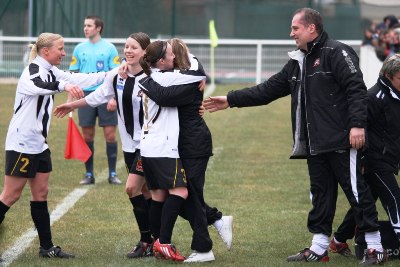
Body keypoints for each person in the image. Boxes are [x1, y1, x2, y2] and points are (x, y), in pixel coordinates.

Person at [203, 7, 387, 265]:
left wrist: (357, 125)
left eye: (295, 28)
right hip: (315, 143)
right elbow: (268, 89)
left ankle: (375, 246)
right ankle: (319, 246)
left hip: (343, 140)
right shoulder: (298, 61)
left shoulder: (337, 51)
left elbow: (356, 89)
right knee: (321, 194)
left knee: (356, 191)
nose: (291, 34)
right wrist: (231, 99)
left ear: (311, 28)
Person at [0, 32, 107, 259]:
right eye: (60, 48)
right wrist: (65, 87)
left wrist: (113, 74)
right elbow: (43, 85)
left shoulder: (51, 70)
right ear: (45, 51)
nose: (64, 53)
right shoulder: (33, 72)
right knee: (10, 195)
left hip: (38, 144)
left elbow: (78, 78)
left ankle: (46, 247)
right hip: (22, 143)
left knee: (41, 193)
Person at [55, 32, 153, 258]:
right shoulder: (116, 75)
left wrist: (199, 80)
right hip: (129, 146)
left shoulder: (155, 76)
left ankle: (148, 239)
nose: (128, 51)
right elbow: (97, 96)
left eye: (134, 47)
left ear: (145, 52)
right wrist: (72, 106)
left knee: (133, 188)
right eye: (126, 46)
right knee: (147, 191)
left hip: (149, 145)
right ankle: (153, 239)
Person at [139, 38, 233, 262]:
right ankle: (216, 220)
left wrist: (144, 80)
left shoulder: (185, 83)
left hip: (193, 145)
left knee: (188, 194)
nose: (171, 57)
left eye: (173, 53)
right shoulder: (176, 79)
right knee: (180, 195)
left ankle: (203, 248)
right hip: (173, 146)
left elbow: (163, 97)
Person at [138, 40, 206, 262]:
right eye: (170, 55)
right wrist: (194, 64)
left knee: (158, 195)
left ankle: (158, 242)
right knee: (181, 192)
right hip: (163, 147)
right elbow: (197, 73)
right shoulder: (163, 77)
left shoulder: (150, 77)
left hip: (148, 146)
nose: (174, 58)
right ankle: (164, 243)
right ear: (160, 61)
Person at [329, 53, 400, 258]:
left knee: (364, 202)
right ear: (388, 76)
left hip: (388, 159)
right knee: (394, 199)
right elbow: (359, 130)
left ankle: (338, 241)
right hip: (375, 161)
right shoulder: (373, 98)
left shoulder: (395, 94)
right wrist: (360, 160)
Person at [69, 15, 121, 185]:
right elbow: (73, 77)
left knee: (110, 135)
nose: (85, 28)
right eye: (85, 25)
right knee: (87, 135)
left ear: (98, 28)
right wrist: (71, 102)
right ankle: (89, 174)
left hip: (105, 97)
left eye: (89, 25)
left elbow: (116, 75)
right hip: (85, 98)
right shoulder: (79, 48)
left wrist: (113, 97)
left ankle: (112, 173)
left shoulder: (109, 48)